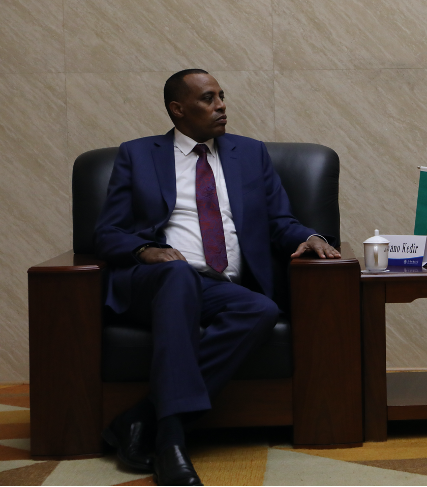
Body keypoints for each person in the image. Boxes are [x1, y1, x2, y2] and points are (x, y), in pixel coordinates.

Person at [95, 69, 340, 486]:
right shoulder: (138, 155)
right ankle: (171, 440)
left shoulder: (250, 154)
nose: (221, 105)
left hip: (219, 286)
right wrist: (143, 250)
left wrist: (311, 237)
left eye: (222, 96)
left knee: (260, 309)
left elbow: (279, 221)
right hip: (156, 282)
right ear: (178, 109)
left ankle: (141, 417)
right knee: (176, 275)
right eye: (208, 99)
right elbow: (107, 232)